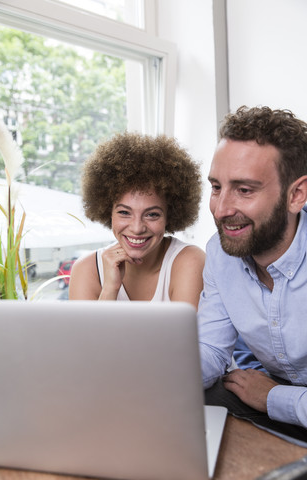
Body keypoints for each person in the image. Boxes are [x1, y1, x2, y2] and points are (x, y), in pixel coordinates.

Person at [198, 105, 307, 446]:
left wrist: (272, 398)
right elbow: (210, 348)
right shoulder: (220, 252)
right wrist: (159, 376)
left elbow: (269, 396)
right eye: (217, 187)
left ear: (296, 195)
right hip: (268, 398)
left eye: (244, 190)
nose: (221, 209)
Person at [69, 132, 205, 308]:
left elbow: (183, 336)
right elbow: (85, 337)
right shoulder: (87, 270)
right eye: (125, 212)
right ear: (107, 211)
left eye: (152, 214)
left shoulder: (189, 261)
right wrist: (110, 288)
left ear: (169, 215)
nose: (137, 228)